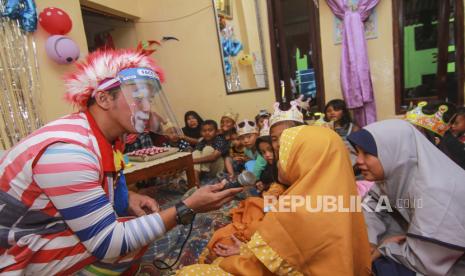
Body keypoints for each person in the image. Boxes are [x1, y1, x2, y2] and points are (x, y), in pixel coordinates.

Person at [0, 48, 241, 274]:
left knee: (135, 226)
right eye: (138, 97)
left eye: (150, 98)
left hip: (40, 229)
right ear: (104, 99)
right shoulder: (68, 154)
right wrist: (185, 207)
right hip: (12, 250)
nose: (147, 108)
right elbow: (109, 244)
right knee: (127, 240)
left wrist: (129, 197)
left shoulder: (107, 137)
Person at [178, 126, 372, 275]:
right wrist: (248, 251)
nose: (279, 161)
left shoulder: (297, 211)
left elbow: (262, 270)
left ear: (303, 159)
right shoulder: (343, 198)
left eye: (284, 155)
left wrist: (236, 259)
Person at [348, 119, 465, 275]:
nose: (359, 161)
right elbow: (372, 204)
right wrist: (370, 240)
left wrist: (384, 248)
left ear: (395, 151)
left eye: (367, 154)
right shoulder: (396, 174)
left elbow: (426, 261)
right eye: (358, 153)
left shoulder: (435, 191)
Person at [193, 120, 230, 185]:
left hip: (219, 168)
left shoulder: (220, 139)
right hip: (206, 168)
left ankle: (203, 175)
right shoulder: (202, 142)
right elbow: (196, 156)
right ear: (201, 133)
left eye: (210, 130)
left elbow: (213, 157)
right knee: (196, 153)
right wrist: (192, 160)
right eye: (204, 131)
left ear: (216, 132)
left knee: (208, 149)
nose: (207, 133)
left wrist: (192, 161)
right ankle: (196, 181)